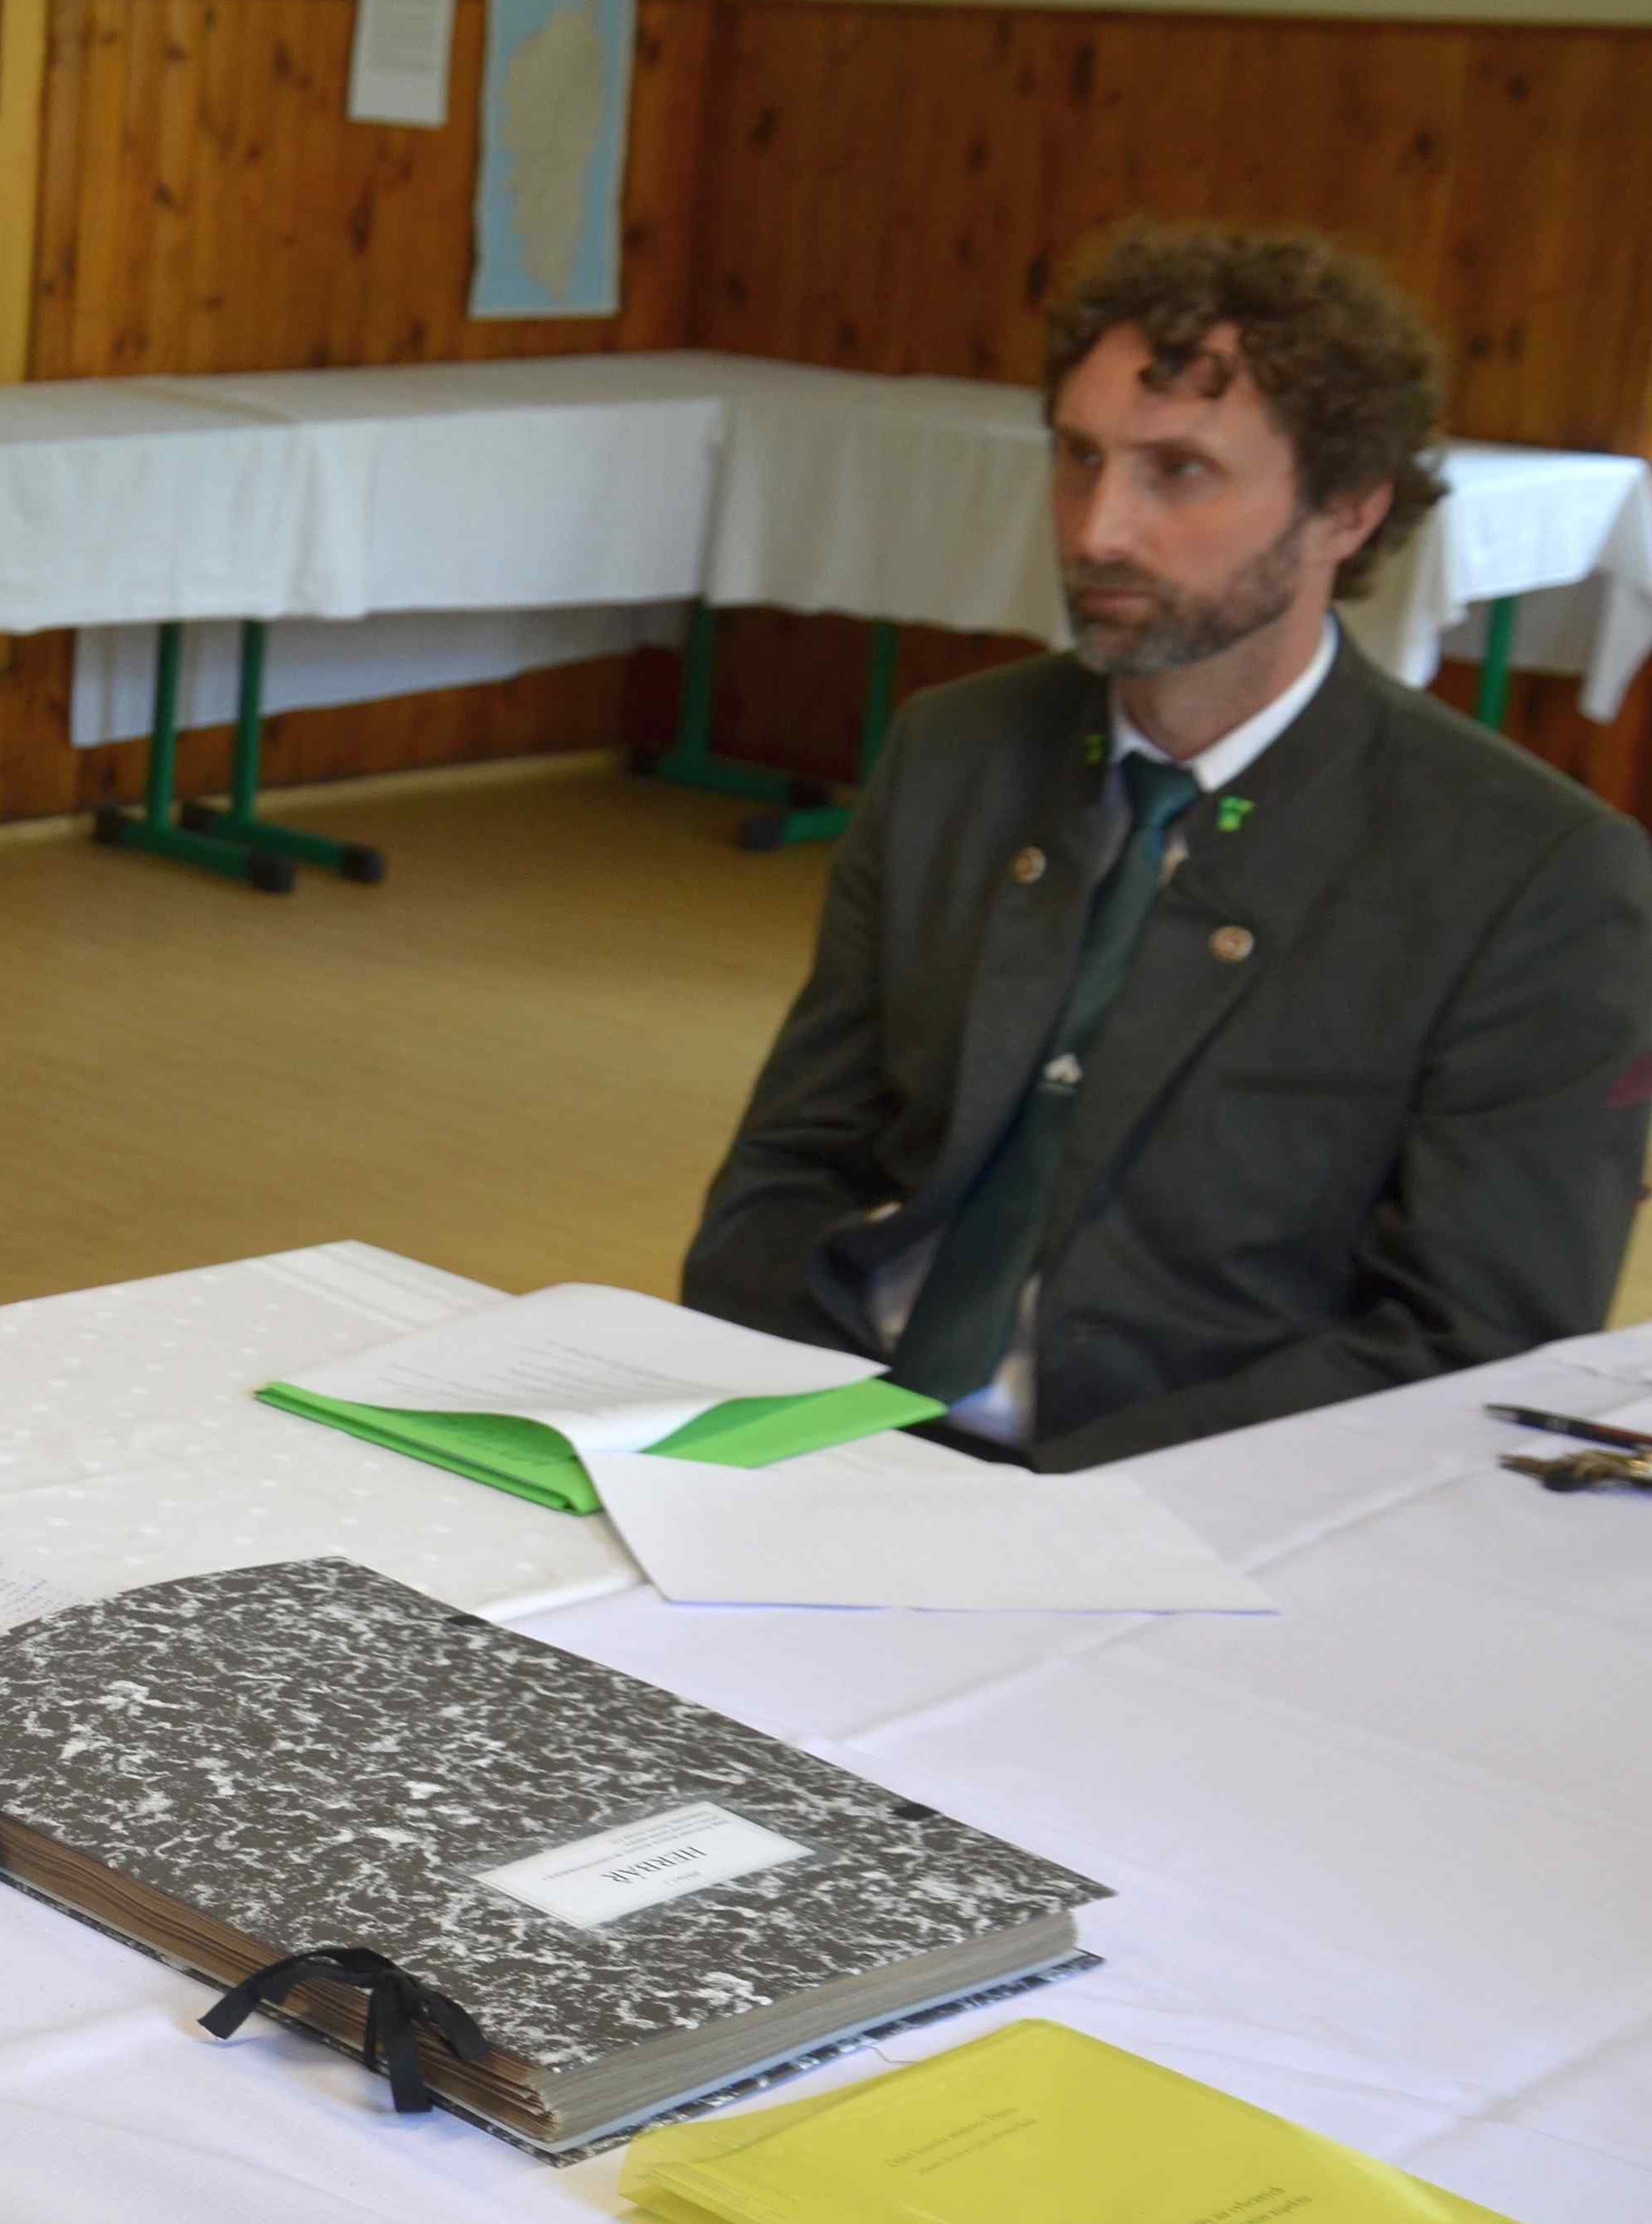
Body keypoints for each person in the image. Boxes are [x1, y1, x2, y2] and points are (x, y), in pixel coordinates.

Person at [684, 223, 1652, 1470]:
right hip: (843, 1432)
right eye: (1080, 457)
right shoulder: (956, 753)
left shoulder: (1530, 874)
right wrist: (784, 1434)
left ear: (1347, 509)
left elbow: (1467, 1343)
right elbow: (787, 1170)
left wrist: (1054, 1516)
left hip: (1184, 1492)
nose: (1099, 529)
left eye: (1180, 472)